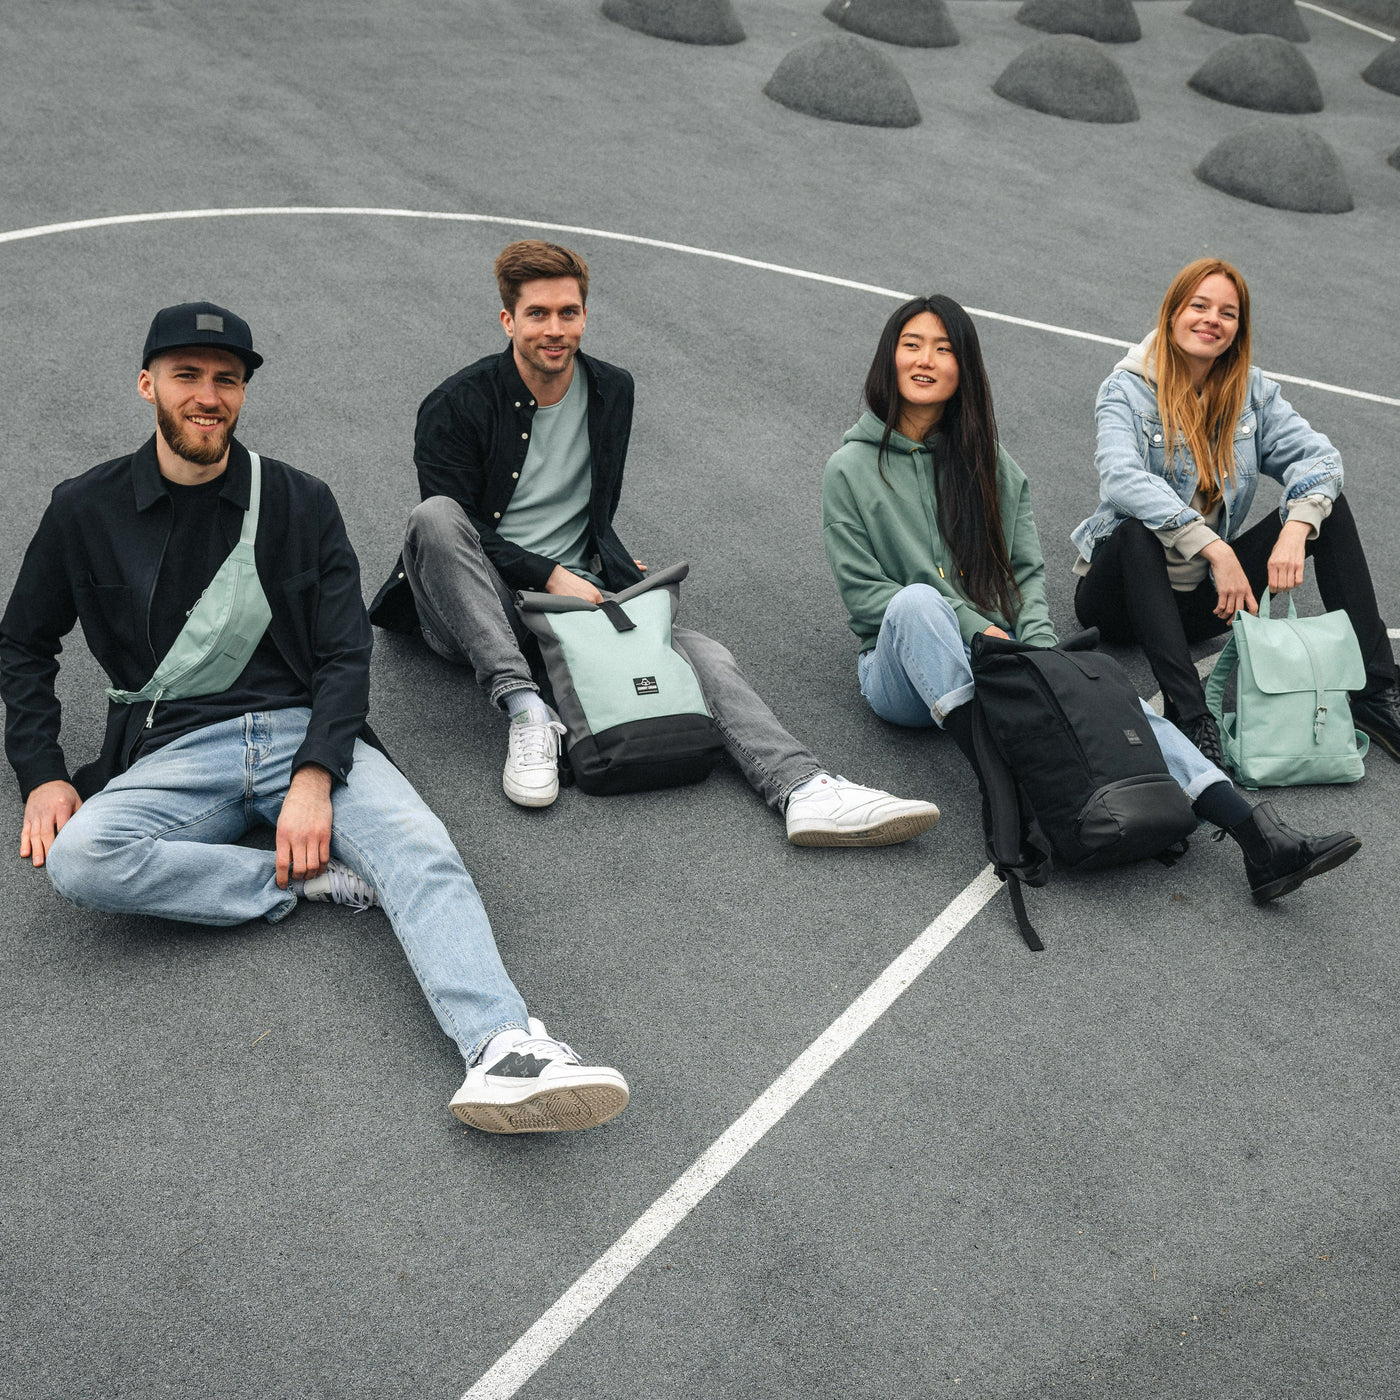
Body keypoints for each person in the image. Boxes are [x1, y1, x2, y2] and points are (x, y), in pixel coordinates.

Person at [0, 302, 628, 1136]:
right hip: (175, 750)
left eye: (226, 380)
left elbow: (343, 655)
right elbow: (23, 644)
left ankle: (504, 1046)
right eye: (187, 376)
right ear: (148, 384)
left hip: (305, 729)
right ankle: (305, 881)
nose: (208, 396)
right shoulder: (84, 509)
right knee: (81, 859)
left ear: (242, 393)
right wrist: (42, 772)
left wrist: (313, 775)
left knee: (422, 850)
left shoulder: (298, 500)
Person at [370, 239, 941, 847]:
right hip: (477, 605)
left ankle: (803, 788)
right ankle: (526, 710)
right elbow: (461, 532)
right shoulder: (456, 404)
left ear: (585, 316)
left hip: (577, 601)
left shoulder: (611, 390)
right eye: (537, 314)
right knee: (434, 516)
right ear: (508, 320)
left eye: (568, 312)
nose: (555, 329)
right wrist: (549, 574)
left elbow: (591, 509)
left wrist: (604, 564)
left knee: (704, 654)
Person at [822, 294, 1361, 903]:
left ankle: (1257, 835)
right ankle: (1003, 793)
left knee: (1109, 698)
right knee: (917, 603)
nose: (925, 360)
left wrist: (1046, 658)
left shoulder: (993, 466)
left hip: (1000, 659)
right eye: (912, 345)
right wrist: (977, 628)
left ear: (963, 370)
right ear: (889, 359)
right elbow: (867, 598)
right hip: (903, 672)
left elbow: (1025, 576)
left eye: (943, 349)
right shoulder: (849, 468)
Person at [1071, 257, 1399, 765]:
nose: (1212, 320)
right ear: (1173, 313)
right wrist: (1216, 549)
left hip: (1204, 604)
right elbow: (1121, 477)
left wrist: (1297, 527)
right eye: (1199, 306)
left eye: (1227, 313)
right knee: (1136, 531)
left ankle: (1375, 692)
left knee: (1325, 510)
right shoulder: (1126, 389)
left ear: (1238, 329)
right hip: (1119, 601)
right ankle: (1190, 714)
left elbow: (1320, 460)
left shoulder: (1251, 392)